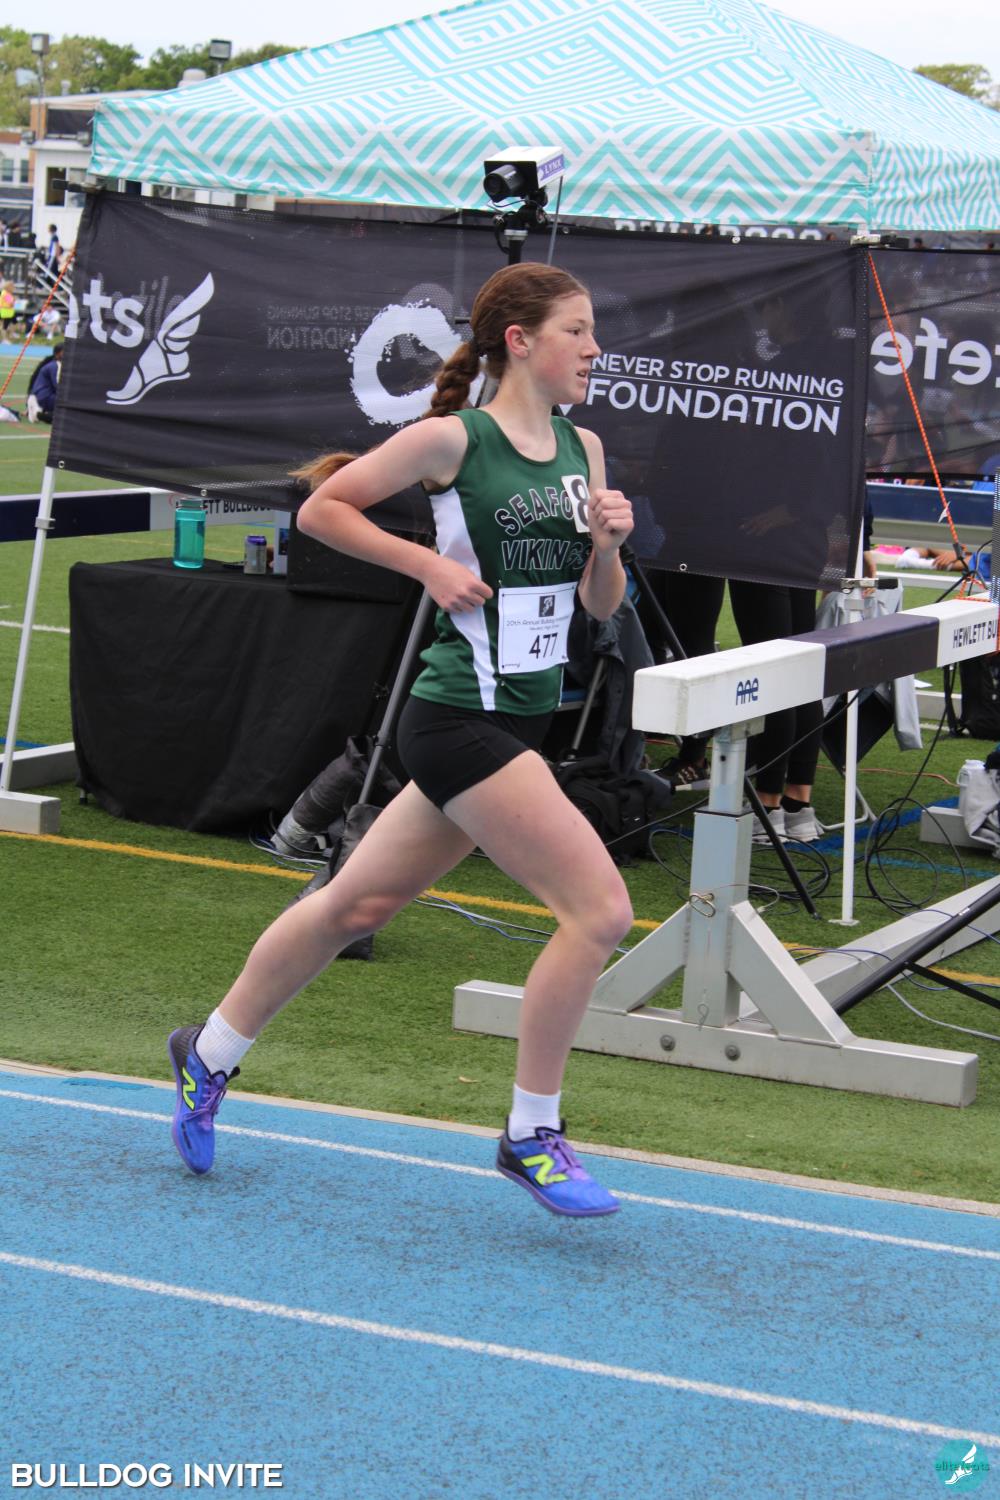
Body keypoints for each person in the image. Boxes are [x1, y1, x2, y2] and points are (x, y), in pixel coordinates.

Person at [167, 261, 635, 1217]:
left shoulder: (583, 447)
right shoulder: (451, 439)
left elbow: (599, 608)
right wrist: (426, 565)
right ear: (521, 341)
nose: (595, 349)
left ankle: (205, 1053)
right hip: (456, 718)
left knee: (355, 906)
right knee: (599, 913)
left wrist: (608, 548)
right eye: (578, 330)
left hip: (520, 718)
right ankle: (531, 1134)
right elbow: (321, 510)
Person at [25, 345, 61, 423]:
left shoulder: (51, 363)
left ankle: (39, 412)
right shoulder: (54, 365)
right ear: (58, 354)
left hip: (41, 395)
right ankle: (38, 413)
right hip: (46, 396)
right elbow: (57, 385)